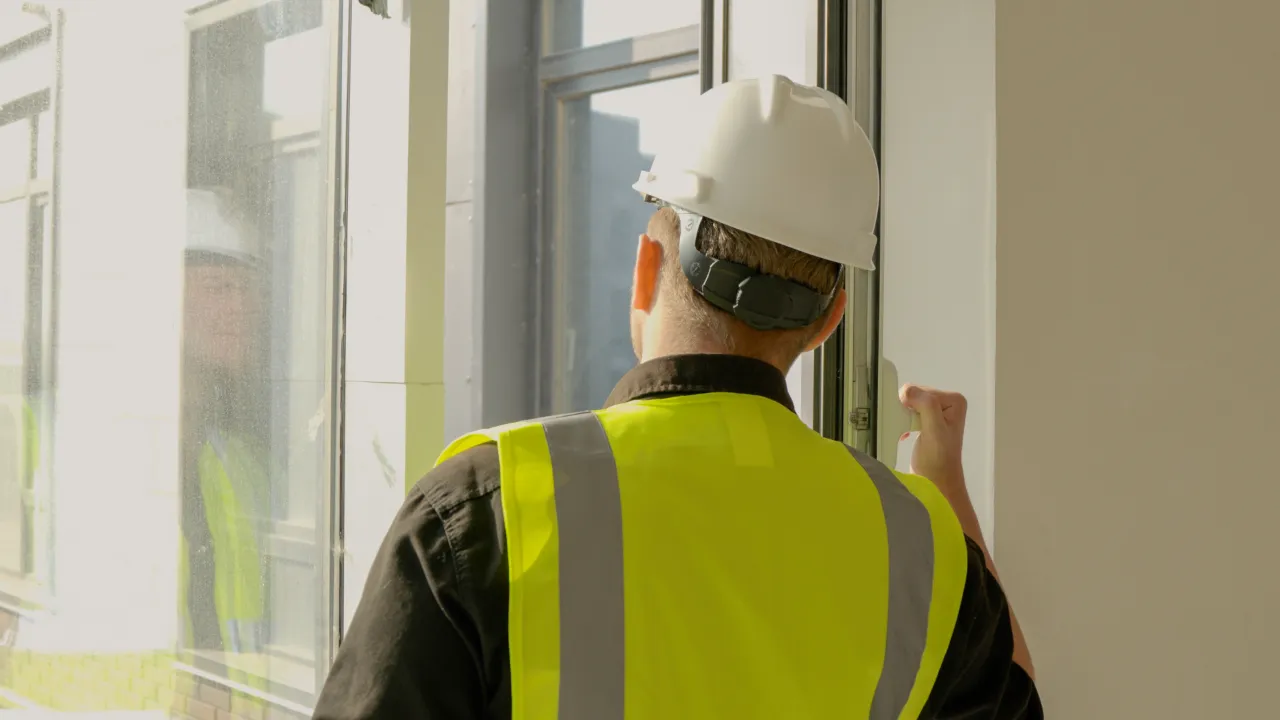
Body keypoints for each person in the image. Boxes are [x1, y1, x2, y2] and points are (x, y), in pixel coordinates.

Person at [314, 75, 1042, 719]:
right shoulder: (922, 547)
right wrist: (944, 502)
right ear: (828, 321)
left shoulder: (486, 509)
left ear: (646, 267)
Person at [178, 188, 270, 663]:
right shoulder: (67, 452)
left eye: (252, 288)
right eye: (219, 287)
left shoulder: (244, 463)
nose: (245, 309)